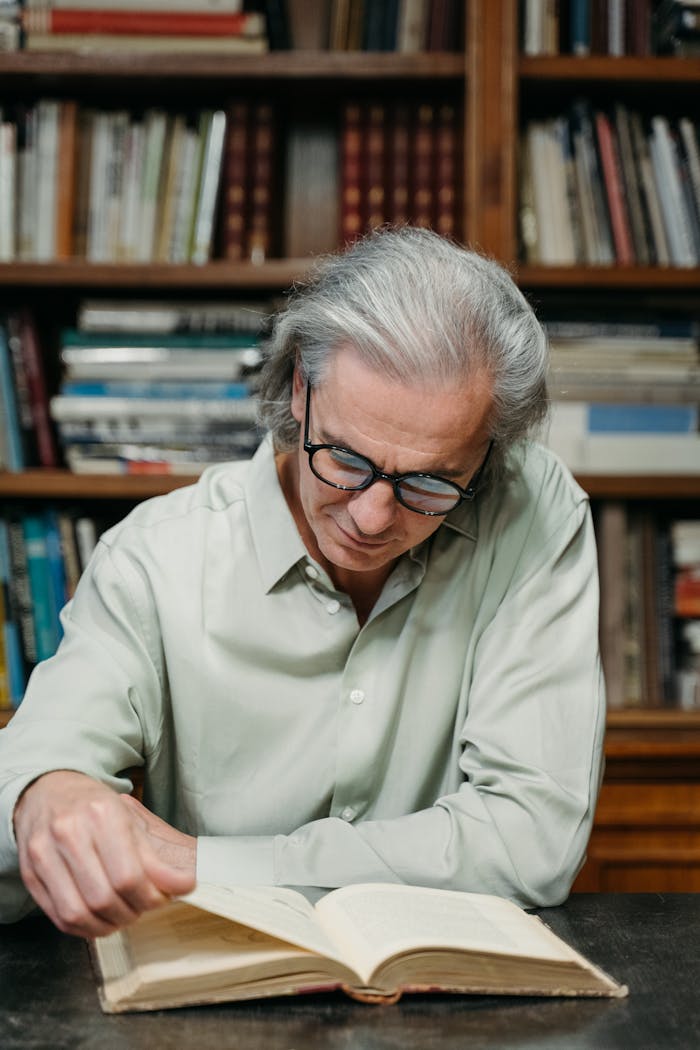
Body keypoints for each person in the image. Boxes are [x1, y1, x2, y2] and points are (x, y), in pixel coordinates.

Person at [0, 227, 605, 939]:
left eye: (430, 482)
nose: (373, 516)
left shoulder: (537, 513)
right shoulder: (154, 557)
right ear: (298, 389)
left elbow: (530, 840)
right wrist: (47, 794)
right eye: (345, 458)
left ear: (489, 454)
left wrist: (205, 863)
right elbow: (42, 760)